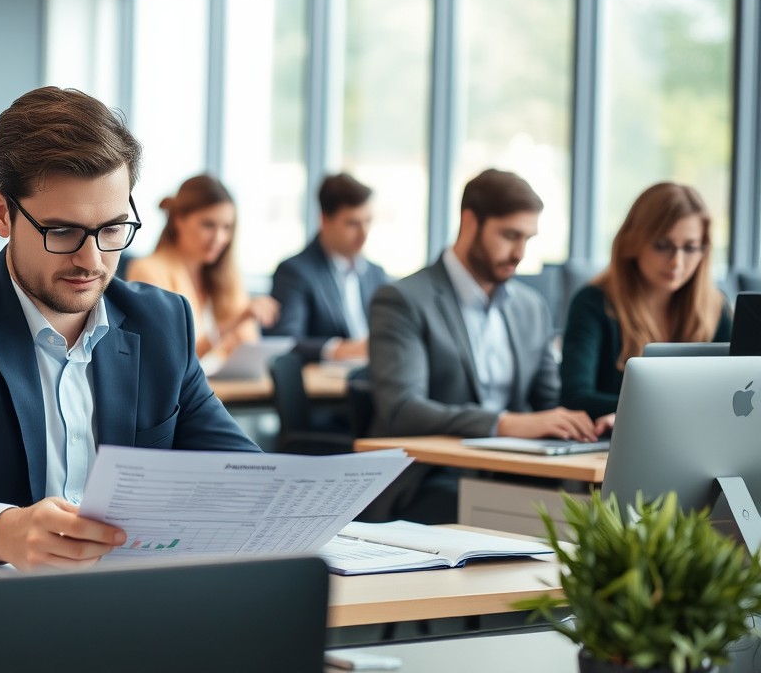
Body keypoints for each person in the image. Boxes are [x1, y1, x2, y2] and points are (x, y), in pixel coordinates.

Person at [0, 87, 259, 571]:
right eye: (62, 232)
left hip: (135, 608)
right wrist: (1, 530)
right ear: (1, 213)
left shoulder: (161, 322)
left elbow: (244, 480)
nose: (92, 260)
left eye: (113, 229)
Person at [367, 170, 598, 522]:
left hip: (515, 472)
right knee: (553, 522)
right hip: (433, 477)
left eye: (527, 239)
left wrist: (596, 423)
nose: (519, 252)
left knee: (599, 514)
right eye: (509, 235)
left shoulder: (529, 306)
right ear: (469, 221)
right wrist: (504, 423)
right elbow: (402, 409)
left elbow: (551, 402)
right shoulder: (403, 300)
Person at [560, 183, 731, 420]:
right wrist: (661, 410)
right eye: (662, 245)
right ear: (633, 243)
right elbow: (574, 398)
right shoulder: (594, 303)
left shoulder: (714, 307)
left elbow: (734, 393)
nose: (676, 263)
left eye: (691, 248)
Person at [125, 175, 278, 371]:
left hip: (229, 391)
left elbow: (251, 352)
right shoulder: (148, 270)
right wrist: (234, 323)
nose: (219, 238)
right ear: (179, 219)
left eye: (227, 227)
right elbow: (169, 358)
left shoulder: (226, 276)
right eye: (208, 225)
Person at [270, 173, 389, 364]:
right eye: (352, 223)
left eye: (368, 221)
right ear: (324, 220)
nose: (364, 233)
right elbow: (285, 341)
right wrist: (342, 349)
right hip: (328, 388)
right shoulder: (295, 272)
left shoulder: (376, 274)